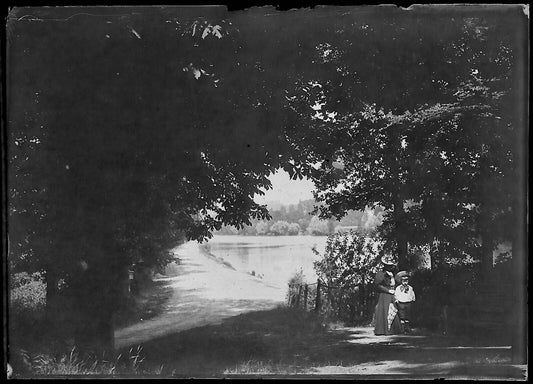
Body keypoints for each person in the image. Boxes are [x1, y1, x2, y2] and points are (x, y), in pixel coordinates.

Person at [373, 255, 402, 335]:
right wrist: (388, 290)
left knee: (393, 310)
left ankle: (393, 330)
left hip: (392, 294)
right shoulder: (381, 273)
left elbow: (394, 283)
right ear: (385, 265)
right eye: (388, 265)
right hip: (385, 295)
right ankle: (383, 330)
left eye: (391, 265)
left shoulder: (392, 274)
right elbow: (378, 285)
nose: (390, 267)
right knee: (386, 311)